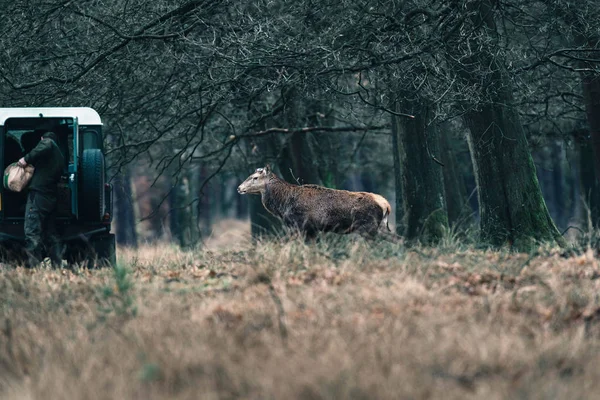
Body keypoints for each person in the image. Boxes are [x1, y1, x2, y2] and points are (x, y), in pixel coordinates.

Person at [18, 131, 65, 268]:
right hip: (50, 197)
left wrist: (25, 159)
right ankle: (58, 266)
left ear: (42, 139)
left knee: (32, 232)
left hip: (38, 196)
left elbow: (46, 144)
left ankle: (33, 268)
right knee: (51, 234)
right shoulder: (60, 157)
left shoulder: (48, 143)